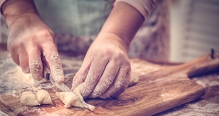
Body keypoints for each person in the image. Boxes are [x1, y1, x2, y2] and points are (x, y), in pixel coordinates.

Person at [0, 0, 158, 99]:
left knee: (117, 72)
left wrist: (117, 36)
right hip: (29, 25)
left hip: (130, 20)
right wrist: (19, 13)